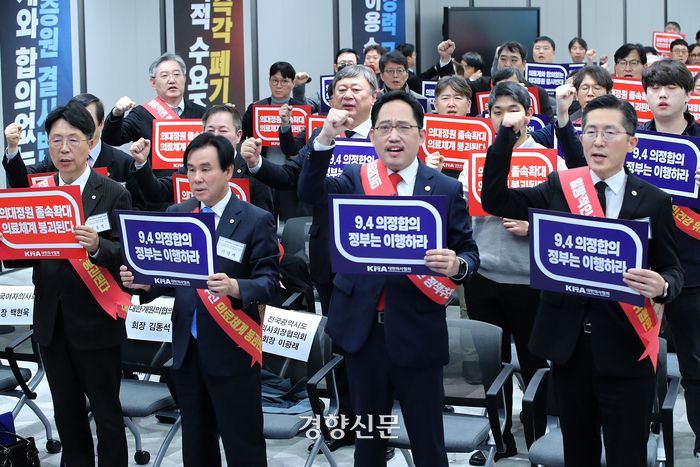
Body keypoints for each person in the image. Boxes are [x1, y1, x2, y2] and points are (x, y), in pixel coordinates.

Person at [481, 93, 683, 467]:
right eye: (590, 132)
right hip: (570, 348)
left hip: (627, 349)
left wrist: (663, 286)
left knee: (627, 454)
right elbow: (495, 200)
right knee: (578, 453)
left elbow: (673, 269)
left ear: (632, 142)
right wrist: (504, 139)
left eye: (610, 132)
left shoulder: (653, 200)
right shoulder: (561, 186)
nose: (598, 141)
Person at [297, 90, 479, 466]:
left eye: (403, 127)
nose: (393, 136)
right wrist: (325, 137)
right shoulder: (354, 179)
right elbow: (310, 193)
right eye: (384, 128)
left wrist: (456, 265)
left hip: (417, 332)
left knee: (428, 443)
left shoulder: (444, 188)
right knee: (369, 442)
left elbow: (469, 253)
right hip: (363, 335)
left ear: (422, 134)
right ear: (372, 135)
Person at [241, 65, 380, 456]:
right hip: (330, 256)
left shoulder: (386, 136)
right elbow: (290, 176)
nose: (347, 95)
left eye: (356, 89)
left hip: (376, 256)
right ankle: (346, 419)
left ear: (373, 96)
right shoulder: (324, 135)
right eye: (341, 89)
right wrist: (256, 165)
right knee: (340, 345)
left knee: (376, 348)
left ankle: (378, 427)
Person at [121, 133, 279, 467]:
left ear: (229, 170)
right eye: (191, 169)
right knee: (196, 444)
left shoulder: (255, 219)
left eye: (206, 169)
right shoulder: (178, 212)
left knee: (243, 446)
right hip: (187, 351)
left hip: (233, 350)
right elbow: (170, 277)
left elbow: (269, 284)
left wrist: (235, 287)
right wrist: (145, 284)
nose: (196, 178)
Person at [4, 101, 131, 467]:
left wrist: (98, 247)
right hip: (51, 322)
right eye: (55, 140)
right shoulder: (39, 194)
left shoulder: (112, 192)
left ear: (90, 143)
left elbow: (128, 253)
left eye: (72, 140)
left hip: (97, 321)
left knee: (107, 415)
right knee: (66, 413)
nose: (63, 149)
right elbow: (21, 254)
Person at [455, 82, 550, 465]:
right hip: (484, 278)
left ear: (529, 114)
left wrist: (534, 226)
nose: (505, 118)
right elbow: (461, 214)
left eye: (513, 110)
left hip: (530, 281)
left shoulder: (549, 161)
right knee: (490, 366)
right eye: (497, 111)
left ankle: (538, 439)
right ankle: (499, 437)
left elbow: (567, 220)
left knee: (534, 365)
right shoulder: (477, 161)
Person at [640, 59, 700, 461]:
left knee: (695, 361)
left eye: (671, 88)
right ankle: (642, 428)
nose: (662, 95)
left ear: (687, 94)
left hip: (693, 268)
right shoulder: (633, 142)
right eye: (655, 88)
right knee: (639, 357)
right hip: (642, 268)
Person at [4, 93, 146, 209]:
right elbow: (22, 185)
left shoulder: (124, 164)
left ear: (101, 123)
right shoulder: (53, 160)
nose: (64, 149)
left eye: (85, 120)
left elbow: (137, 210)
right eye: (57, 140)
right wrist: (12, 148)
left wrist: (99, 236)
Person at [102, 53, 207, 210]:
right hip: (155, 198)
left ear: (185, 78)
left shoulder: (202, 113)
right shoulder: (142, 114)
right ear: (153, 82)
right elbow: (112, 138)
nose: (172, 80)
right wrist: (117, 114)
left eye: (177, 74)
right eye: (164, 76)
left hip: (194, 196)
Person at [128, 104, 274, 213]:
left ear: (238, 135)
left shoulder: (253, 170)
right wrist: (141, 163)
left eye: (223, 130)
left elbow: (263, 221)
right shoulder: (191, 167)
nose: (215, 135)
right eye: (210, 130)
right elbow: (156, 193)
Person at [241, 61, 309, 221]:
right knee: (262, 219)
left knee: (290, 221)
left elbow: (301, 146)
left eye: (284, 81)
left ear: (293, 83)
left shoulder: (303, 110)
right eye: (274, 80)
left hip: (290, 176)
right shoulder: (255, 108)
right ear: (269, 81)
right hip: (261, 174)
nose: (279, 86)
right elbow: (244, 136)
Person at [494, 41, 554, 117]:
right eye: (503, 59)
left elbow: (549, 122)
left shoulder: (539, 93)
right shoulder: (483, 87)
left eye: (513, 60)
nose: (507, 64)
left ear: (524, 64)